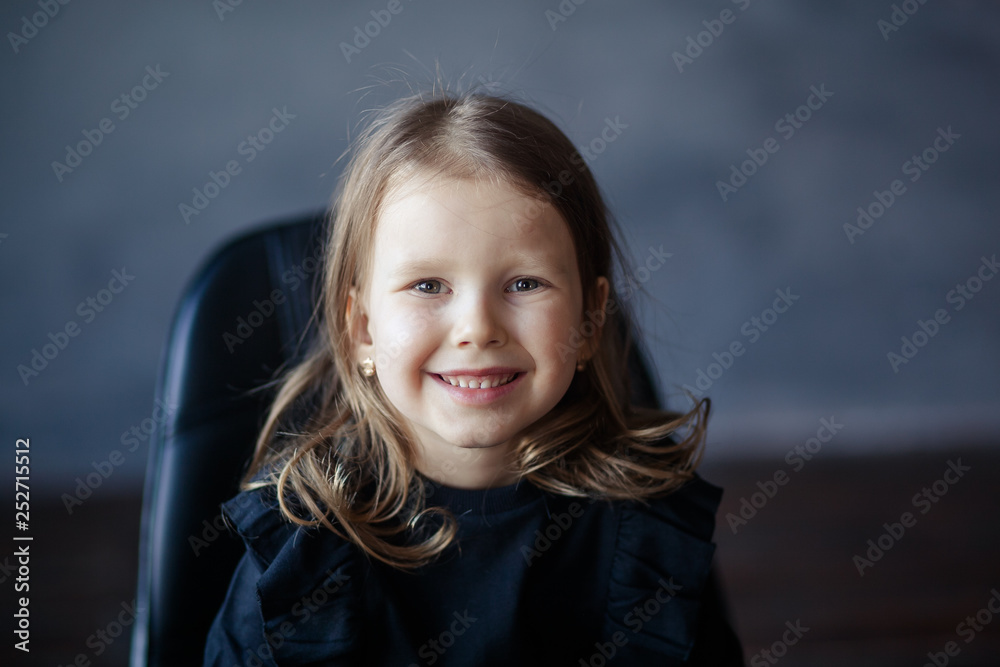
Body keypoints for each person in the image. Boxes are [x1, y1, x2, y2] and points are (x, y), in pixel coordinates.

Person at [203, 90, 744, 666]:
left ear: (589, 321)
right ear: (362, 329)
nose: (477, 329)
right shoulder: (303, 539)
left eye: (524, 284)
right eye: (428, 285)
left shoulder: (647, 530)